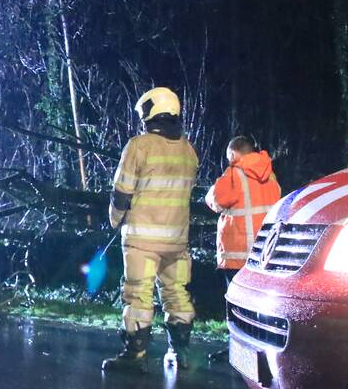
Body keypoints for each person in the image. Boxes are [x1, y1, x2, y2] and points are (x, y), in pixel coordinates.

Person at [102, 87, 199, 372]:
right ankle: (180, 352)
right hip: (177, 240)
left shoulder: (139, 146)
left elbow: (122, 192)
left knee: (138, 294)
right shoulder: (189, 150)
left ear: (151, 112)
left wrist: (115, 219)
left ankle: (136, 355)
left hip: (142, 239)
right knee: (176, 292)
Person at [205, 136, 281, 285]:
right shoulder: (270, 175)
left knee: (238, 304)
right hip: (266, 253)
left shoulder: (235, 174)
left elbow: (216, 200)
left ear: (233, 154)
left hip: (239, 258)